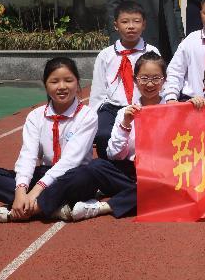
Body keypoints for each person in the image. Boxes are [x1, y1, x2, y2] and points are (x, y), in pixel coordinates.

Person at [0, 58, 97, 224]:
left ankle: (15, 212)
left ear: (77, 82)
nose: (62, 86)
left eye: (68, 80)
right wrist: (21, 191)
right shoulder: (36, 116)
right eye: (54, 81)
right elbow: (28, 155)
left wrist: (35, 191)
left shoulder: (87, 115)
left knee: (86, 177)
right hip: (45, 174)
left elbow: (70, 161)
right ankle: (52, 208)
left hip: (71, 176)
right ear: (45, 85)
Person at [64, 52, 167, 221]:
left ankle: (104, 207)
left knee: (164, 186)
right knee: (96, 165)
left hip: (160, 174)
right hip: (131, 172)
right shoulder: (125, 113)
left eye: (156, 78)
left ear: (164, 80)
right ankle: (132, 193)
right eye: (144, 78)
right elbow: (114, 155)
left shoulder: (174, 110)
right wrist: (125, 124)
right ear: (135, 80)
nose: (150, 84)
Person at [89, 1, 159, 158]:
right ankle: (107, 165)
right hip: (112, 108)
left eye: (136, 21)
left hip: (142, 106)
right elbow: (98, 90)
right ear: (116, 25)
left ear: (144, 24)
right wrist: (92, 120)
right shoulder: (106, 55)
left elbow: (159, 81)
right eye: (125, 22)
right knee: (103, 135)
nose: (131, 26)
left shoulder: (151, 51)